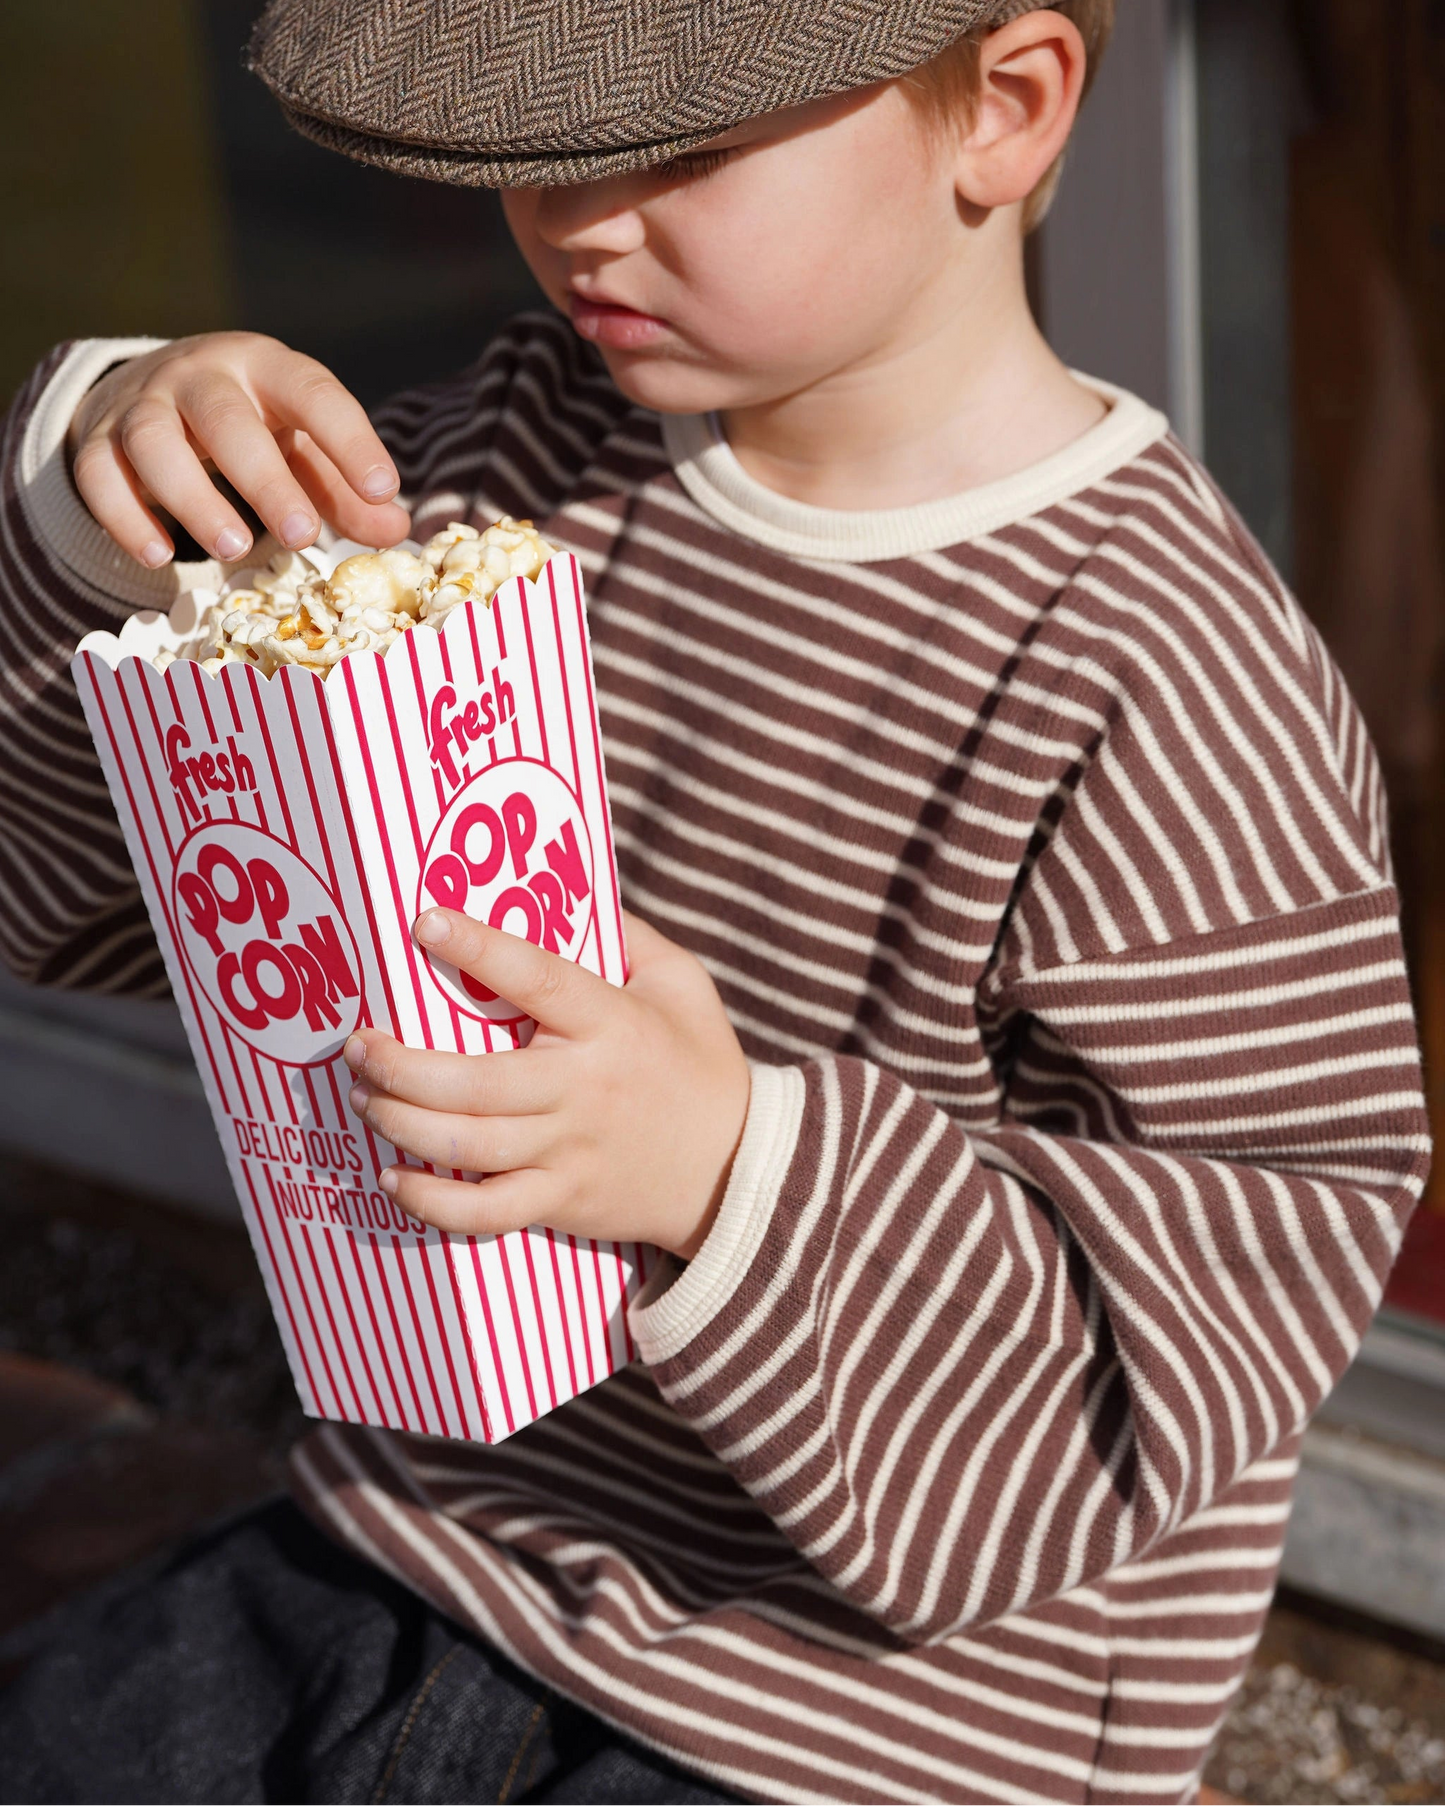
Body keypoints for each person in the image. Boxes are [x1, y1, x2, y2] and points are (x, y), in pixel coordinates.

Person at [0, 0, 1428, 1801]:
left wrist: (722, 1162)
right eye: (536, 137)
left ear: (1002, 109)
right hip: (422, 1531)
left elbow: (1214, 1293)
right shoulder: (502, 466)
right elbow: (92, 913)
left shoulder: (1161, 675)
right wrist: (118, 520)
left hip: (883, 1713)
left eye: (676, 149)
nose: (580, 214)